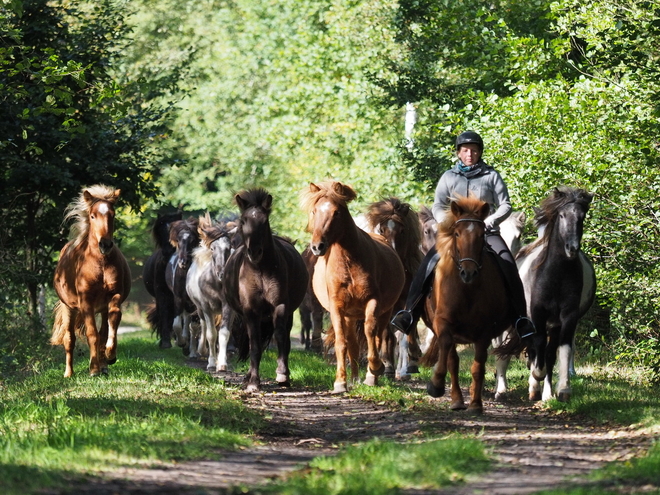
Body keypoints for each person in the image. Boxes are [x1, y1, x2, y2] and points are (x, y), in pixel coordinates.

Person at [390, 130, 535, 340]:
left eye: (474, 150)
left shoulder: (491, 176)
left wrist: (490, 221)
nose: (470, 154)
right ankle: (409, 313)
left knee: (508, 264)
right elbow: (438, 205)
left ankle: (521, 319)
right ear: (459, 153)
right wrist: (444, 222)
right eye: (466, 150)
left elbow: (505, 204)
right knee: (427, 265)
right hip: (455, 234)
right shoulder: (449, 177)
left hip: (486, 233)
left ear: (480, 152)